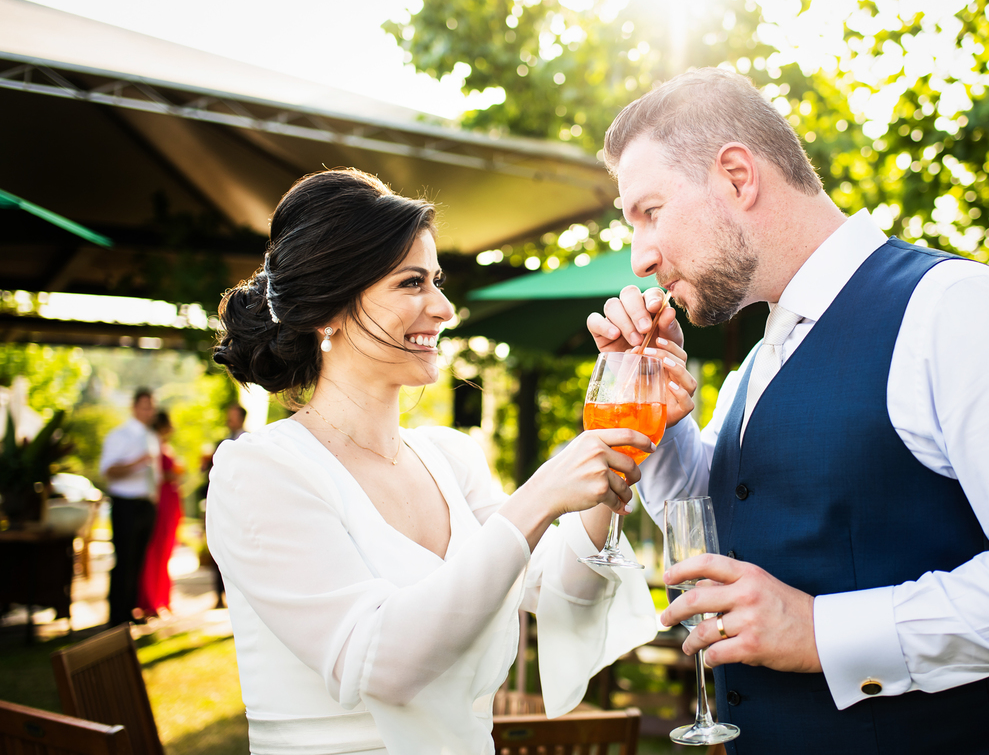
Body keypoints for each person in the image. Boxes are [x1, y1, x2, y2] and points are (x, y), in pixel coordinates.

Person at [587, 68, 989, 754]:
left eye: (650, 211)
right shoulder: (755, 369)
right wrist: (664, 410)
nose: (640, 257)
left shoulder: (957, 309)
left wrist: (824, 632)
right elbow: (713, 531)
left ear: (737, 177)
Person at [207, 168, 659, 755]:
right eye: (411, 283)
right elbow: (380, 667)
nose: (444, 307)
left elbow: (558, 586)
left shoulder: (449, 457)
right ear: (330, 310)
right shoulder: (261, 473)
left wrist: (617, 427)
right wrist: (540, 496)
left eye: (437, 281)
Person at [99, 387, 159, 627]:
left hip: (146, 504)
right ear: (134, 407)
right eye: (144, 406)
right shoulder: (119, 436)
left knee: (139, 559)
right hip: (125, 503)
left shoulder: (152, 437)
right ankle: (116, 616)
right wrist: (136, 463)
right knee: (123, 559)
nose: (148, 411)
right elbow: (108, 471)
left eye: (151, 406)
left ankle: (131, 610)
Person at [199, 403, 247, 608]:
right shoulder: (220, 442)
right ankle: (219, 596)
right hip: (223, 503)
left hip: (242, 504)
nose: (230, 419)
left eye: (233, 416)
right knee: (221, 550)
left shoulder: (250, 441)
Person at [138, 410, 182, 619]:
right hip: (162, 501)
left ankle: (162, 599)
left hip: (170, 501)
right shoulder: (153, 446)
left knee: (165, 552)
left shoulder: (161, 445)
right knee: (156, 551)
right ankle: (152, 600)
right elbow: (155, 474)